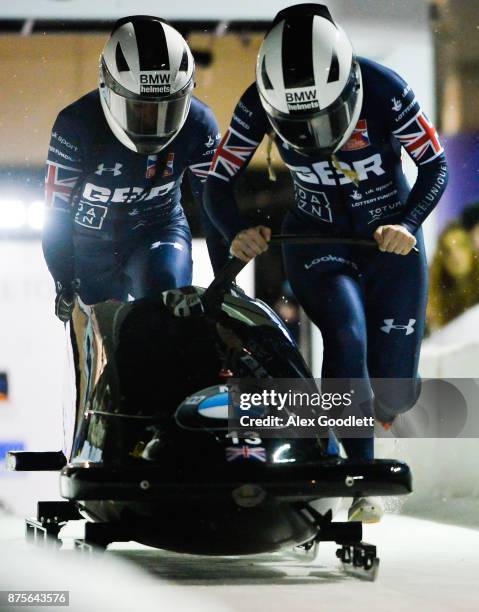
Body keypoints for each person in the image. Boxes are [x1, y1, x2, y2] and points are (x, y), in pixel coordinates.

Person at [204, 3, 448, 522]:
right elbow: (217, 182)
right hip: (316, 239)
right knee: (347, 334)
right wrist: (236, 234)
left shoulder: (385, 89)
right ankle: (359, 477)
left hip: (389, 243)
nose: (313, 133)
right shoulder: (254, 103)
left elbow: (434, 165)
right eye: (297, 122)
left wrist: (408, 223)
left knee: (394, 391)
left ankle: (382, 404)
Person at [43, 15, 226, 320]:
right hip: (90, 246)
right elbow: (56, 213)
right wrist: (63, 278)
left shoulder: (199, 123)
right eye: (140, 108)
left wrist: (225, 276)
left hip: (157, 231)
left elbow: (214, 202)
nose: (153, 122)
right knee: (103, 338)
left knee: (166, 301)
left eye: (168, 107)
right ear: (108, 88)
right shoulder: (76, 126)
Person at [427, 222, 479, 332]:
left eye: (461, 246)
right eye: (447, 250)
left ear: (472, 249)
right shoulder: (437, 298)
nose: (455, 255)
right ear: (441, 260)